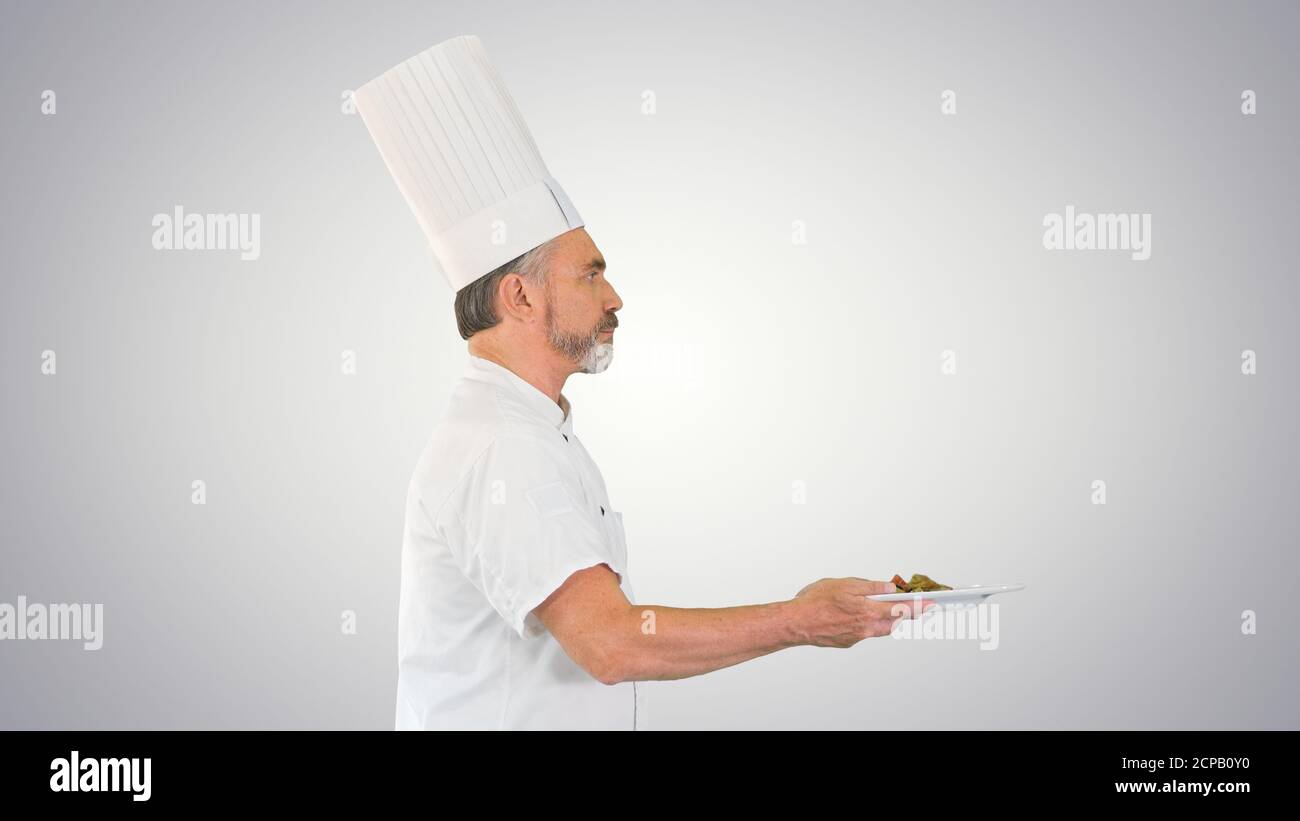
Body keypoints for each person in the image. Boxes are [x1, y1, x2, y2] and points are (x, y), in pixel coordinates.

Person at [355, 35, 932, 730]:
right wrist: (801, 619)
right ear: (521, 297)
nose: (615, 297)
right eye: (590, 273)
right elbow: (611, 641)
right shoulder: (501, 446)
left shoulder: (534, 430)